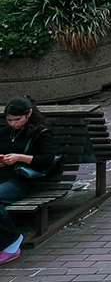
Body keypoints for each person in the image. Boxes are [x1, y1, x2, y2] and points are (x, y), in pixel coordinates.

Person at [0, 97, 59, 263]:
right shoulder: (4, 133)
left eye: (17, 120)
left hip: (18, 180)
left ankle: (11, 241)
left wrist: (20, 158)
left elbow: (48, 160)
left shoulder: (40, 133)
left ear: (29, 113)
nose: (12, 124)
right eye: (9, 120)